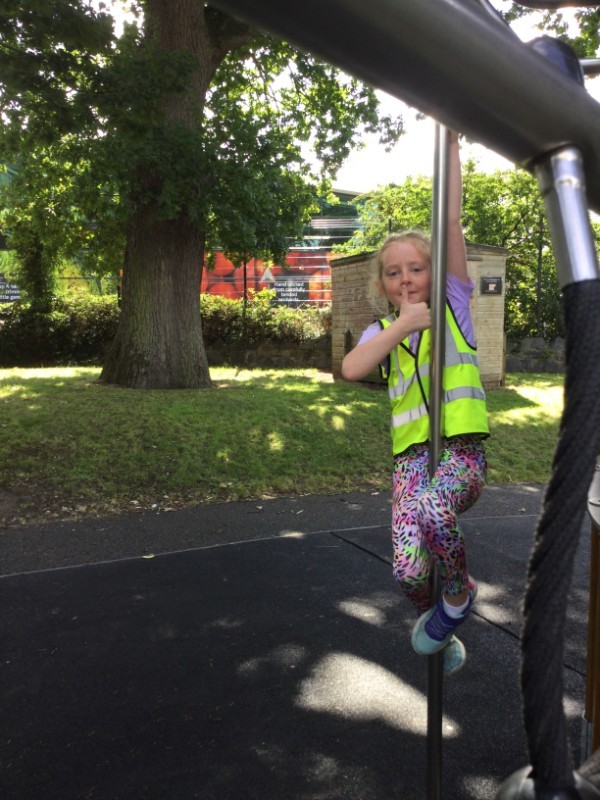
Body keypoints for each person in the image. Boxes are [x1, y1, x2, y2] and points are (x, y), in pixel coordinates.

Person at [341, 130, 489, 676]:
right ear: (382, 284)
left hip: (460, 452)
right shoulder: (382, 330)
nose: (405, 277)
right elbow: (352, 368)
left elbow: (450, 220)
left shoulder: (454, 306)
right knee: (407, 571)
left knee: (432, 510)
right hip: (409, 464)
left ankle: (459, 592)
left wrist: (451, 145)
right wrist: (401, 326)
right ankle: (439, 626)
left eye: (416, 268)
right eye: (394, 272)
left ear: (435, 274)